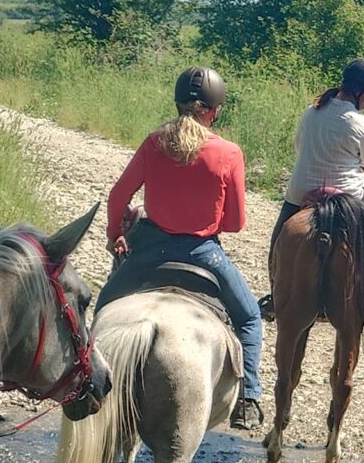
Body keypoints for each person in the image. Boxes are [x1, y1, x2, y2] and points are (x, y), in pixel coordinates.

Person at [101, 65, 266, 427]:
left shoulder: (154, 141)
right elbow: (236, 224)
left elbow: (118, 196)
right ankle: (248, 398)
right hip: (202, 254)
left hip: (148, 249)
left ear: (177, 105)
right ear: (215, 110)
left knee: (102, 307)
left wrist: (116, 236)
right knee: (251, 318)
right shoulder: (228, 153)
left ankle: (86, 378)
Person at [266, 56, 364, 318]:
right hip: (347, 194)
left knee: (279, 238)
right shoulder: (359, 122)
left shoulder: (311, 111)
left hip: (301, 191)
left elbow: (298, 146)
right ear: (358, 90)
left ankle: (275, 294)